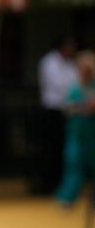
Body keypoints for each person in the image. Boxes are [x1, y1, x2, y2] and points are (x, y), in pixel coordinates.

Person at [35, 37, 79, 194]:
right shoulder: (49, 62)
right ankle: (47, 184)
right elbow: (61, 85)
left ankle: (61, 184)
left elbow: (76, 82)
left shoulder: (69, 64)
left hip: (66, 111)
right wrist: (75, 94)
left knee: (62, 149)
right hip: (52, 111)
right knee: (50, 149)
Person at [54, 51, 95, 207]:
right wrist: (83, 107)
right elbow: (67, 109)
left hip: (92, 132)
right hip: (77, 133)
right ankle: (68, 196)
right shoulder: (74, 88)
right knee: (74, 162)